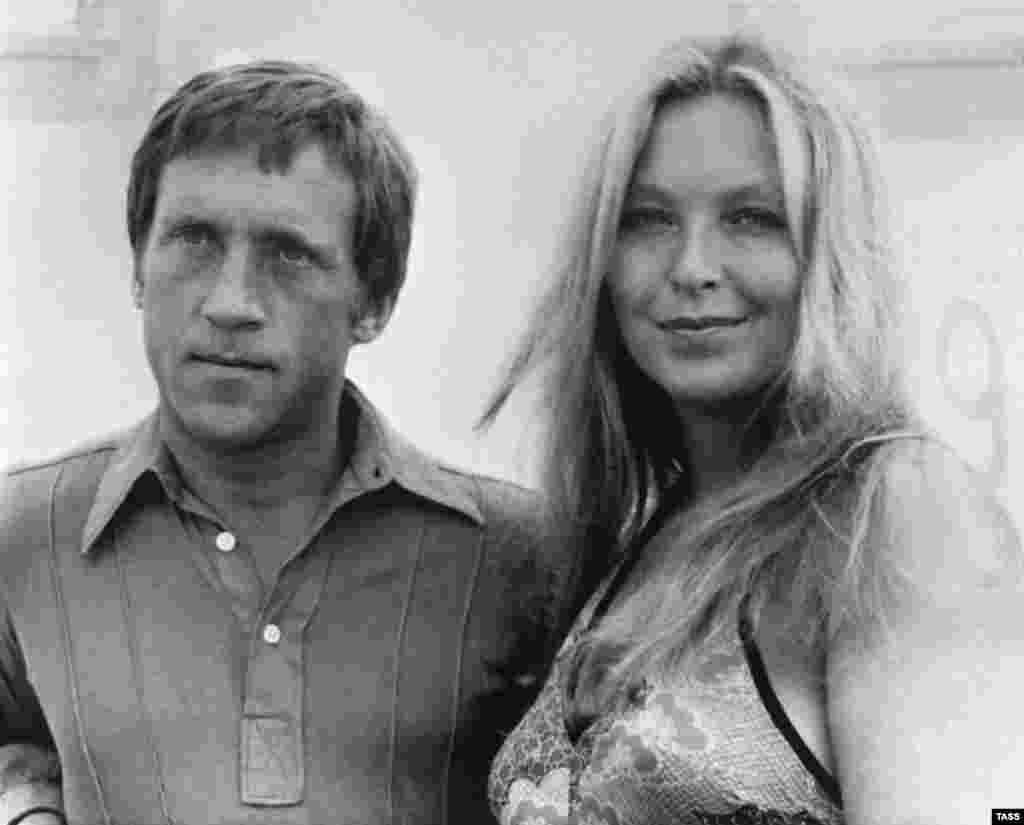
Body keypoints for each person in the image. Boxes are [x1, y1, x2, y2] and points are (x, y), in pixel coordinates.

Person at [0, 60, 566, 825]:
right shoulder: (26, 535)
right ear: (138, 267)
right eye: (193, 241)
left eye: (289, 254)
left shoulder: (520, 560)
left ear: (374, 301)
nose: (231, 302)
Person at [483, 34, 1024, 825]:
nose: (691, 266)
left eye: (752, 218)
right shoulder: (651, 535)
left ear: (833, 256)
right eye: (647, 220)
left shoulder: (894, 512)